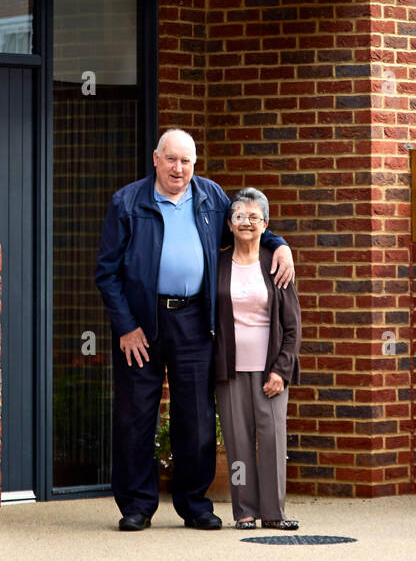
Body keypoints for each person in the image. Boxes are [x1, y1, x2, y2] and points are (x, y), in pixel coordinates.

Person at [94, 129, 295, 531]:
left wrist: (279, 242)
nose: (179, 169)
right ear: (156, 158)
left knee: (197, 416)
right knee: (136, 415)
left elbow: (244, 222)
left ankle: (195, 504)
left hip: (194, 321)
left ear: (195, 163)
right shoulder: (128, 202)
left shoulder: (211, 197)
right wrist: (126, 326)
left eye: (186, 161)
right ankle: (136, 506)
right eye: (171, 159)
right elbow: (107, 272)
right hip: (142, 323)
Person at [215, 187, 301, 529]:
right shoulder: (218, 264)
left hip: (270, 371)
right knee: (237, 444)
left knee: (271, 441)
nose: (246, 222)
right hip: (230, 370)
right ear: (229, 223)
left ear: (266, 224)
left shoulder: (277, 265)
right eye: (239, 216)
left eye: (254, 217)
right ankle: (244, 512)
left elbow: (292, 326)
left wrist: (282, 369)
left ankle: (274, 514)